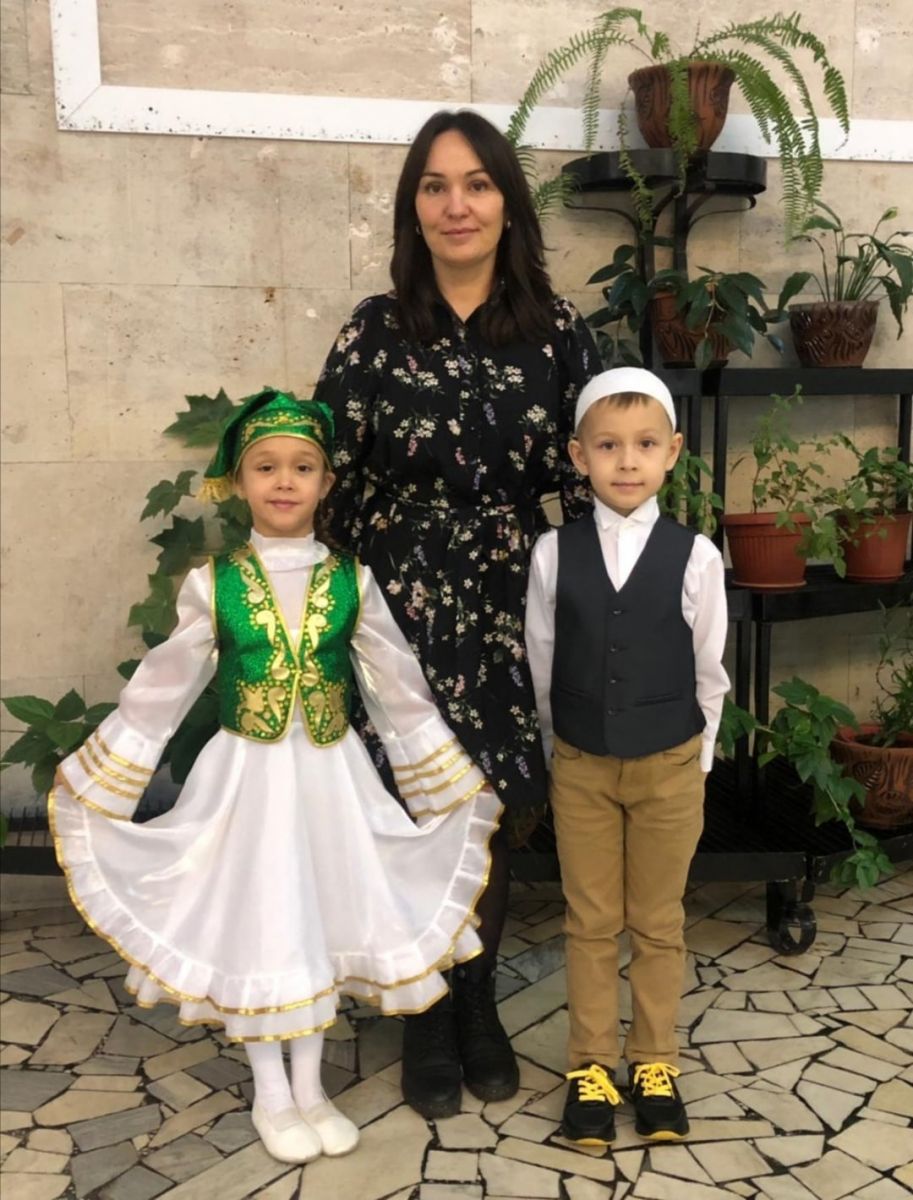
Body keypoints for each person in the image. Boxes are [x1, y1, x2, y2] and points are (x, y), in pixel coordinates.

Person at [49, 388, 501, 1165]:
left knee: (317, 916)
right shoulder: (214, 581)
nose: (284, 480)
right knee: (262, 918)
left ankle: (311, 1087)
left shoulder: (351, 579)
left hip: (330, 780)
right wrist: (107, 772)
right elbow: (165, 685)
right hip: (247, 783)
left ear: (327, 483)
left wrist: (441, 778)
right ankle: (271, 1092)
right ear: (238, 481)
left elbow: (396, 685)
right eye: (266, 467)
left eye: (302, 467)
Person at [312, 109, 599, 1118]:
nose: (456, 204)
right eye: (434, 186)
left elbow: (598, 474)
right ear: (413, 209)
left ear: (508, 204)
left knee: (490, 804)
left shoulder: (558, 332)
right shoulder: (375, 328)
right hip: (398, 600)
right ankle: (426, 1008)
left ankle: (476, 1000)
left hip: (513, 596)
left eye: (476, 183)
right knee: (412, 799)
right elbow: (328, 472)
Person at [524, 367, 730, 1144]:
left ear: (671, 452)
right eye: (607, 446)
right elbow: (541, 659)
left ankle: (653, 1061)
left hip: (668, 764)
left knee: (657, 920)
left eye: (644, 444)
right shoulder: (553, 553)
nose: (626, 461)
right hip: (580, 763)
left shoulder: (695, 556)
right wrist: (557, 747)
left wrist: (697, 759)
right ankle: (589, 1065)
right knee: (589, 920)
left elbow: (709, 669)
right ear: (579, 457)